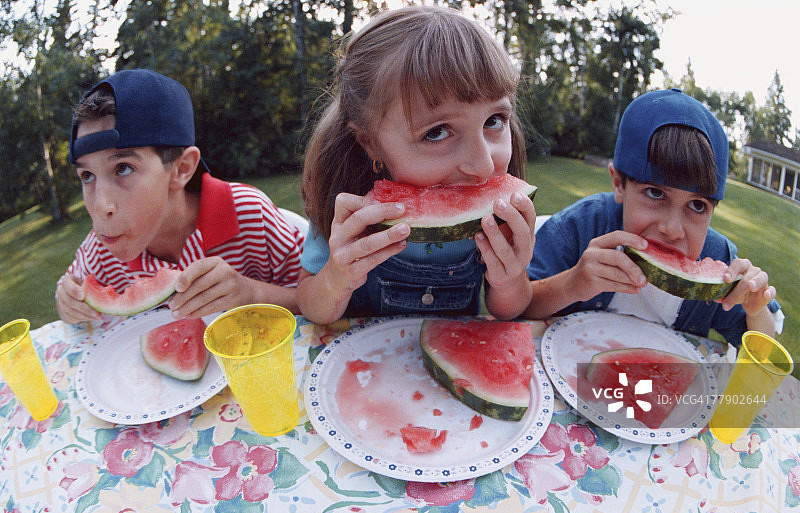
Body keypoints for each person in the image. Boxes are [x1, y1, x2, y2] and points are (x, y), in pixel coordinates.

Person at [297, 5, 536, 324]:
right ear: (369, 142)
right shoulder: (342, 211)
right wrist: (334, 279)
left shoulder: (501, 214)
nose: (482, 165)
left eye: (495, 120)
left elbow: (509, 309)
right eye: (437, 132)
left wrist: (510, 278)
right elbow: (312, 307)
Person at [524, 88, 782, 346]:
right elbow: (517, 308)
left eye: (698, 205)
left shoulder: (719, 259)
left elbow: (763, 351)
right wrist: (571, 284)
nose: (672, 229)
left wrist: (755, 309)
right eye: (655, 193)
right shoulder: (579, 228)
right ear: (618, 184)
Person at [56, 69, 304, 324]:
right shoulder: (102, 249)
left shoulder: (250, 214)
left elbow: (320, 297)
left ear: (181, 169)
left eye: (123, 168)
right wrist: (66, 301)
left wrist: (252, 292)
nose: (100, 206)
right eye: (87, 175)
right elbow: (67, 290)